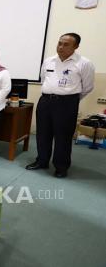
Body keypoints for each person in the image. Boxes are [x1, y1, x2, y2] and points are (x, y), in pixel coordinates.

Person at [26, 33, 95, 177]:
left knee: (63, 136)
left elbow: (87, 87)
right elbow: (45, 79)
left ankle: (61, 166)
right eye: (59, 43)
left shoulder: (84, 63)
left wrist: (70, 98)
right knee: (43, 134)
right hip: (45, 101)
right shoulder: (49, 60)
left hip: (67, 103)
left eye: (66, 44)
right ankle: (42, 161)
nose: (61, 47)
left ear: (76, 46)